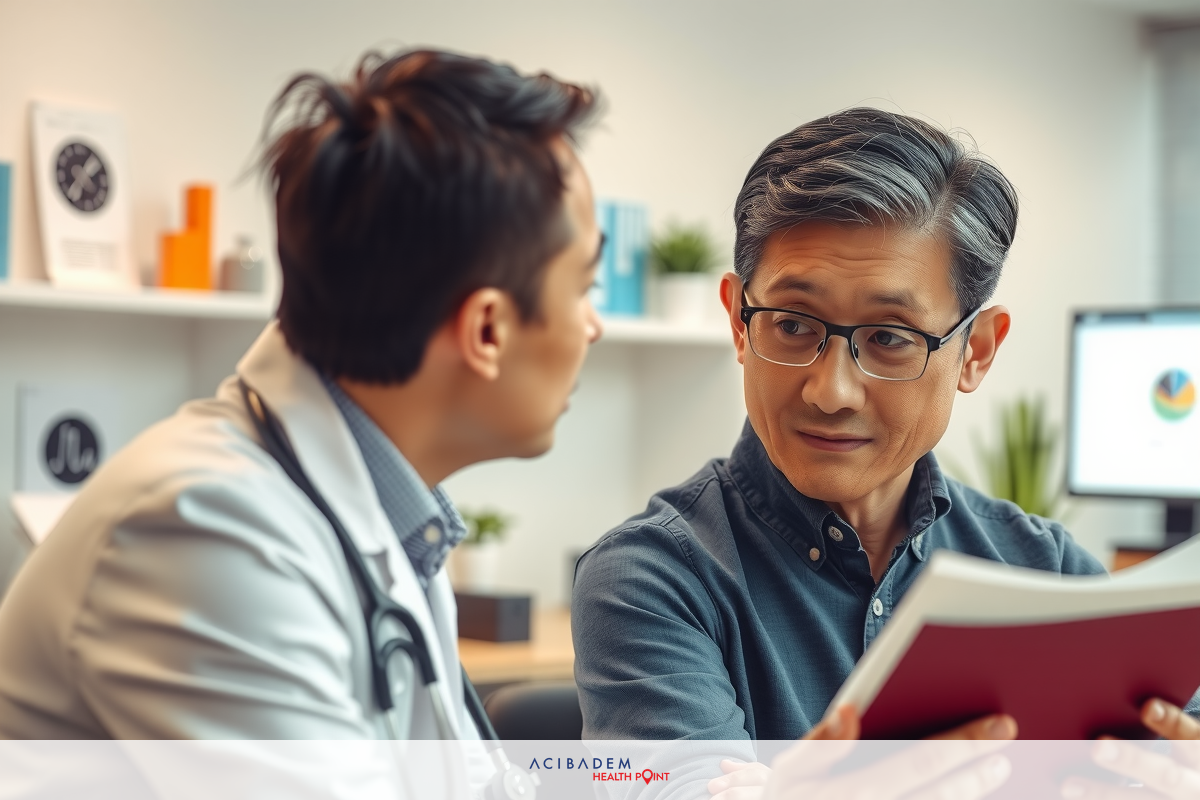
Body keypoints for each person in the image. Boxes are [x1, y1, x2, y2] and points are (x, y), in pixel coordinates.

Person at [571, 109, 1200, 776]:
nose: (830, 390)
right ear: (737, 321)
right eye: (790, 325)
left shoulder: (1045, 574)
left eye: (889, 338)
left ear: (975, 354)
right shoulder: (651, 578)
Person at [0, 48, 602, 741]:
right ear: (487, 329)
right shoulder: (207, 533)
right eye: (583, 287)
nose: (594, 325)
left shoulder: (389, 519)